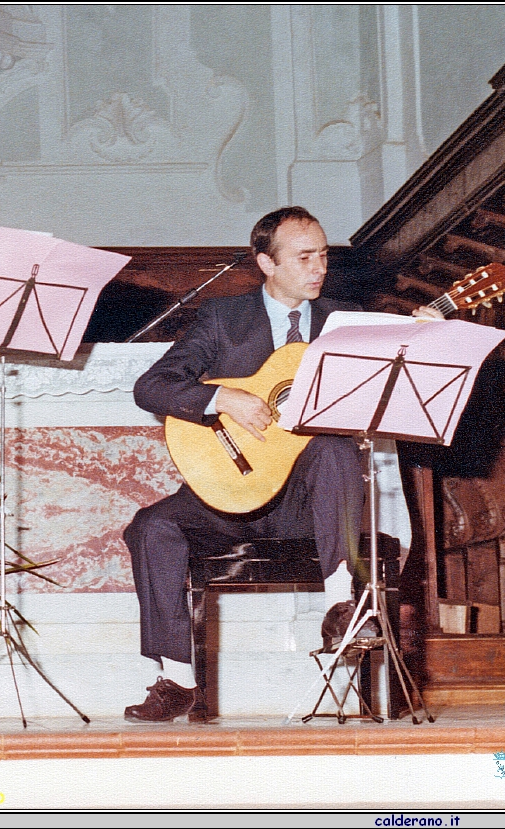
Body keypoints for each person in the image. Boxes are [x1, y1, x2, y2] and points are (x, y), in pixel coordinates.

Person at [121, 206, 442, 722]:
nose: (320, 268)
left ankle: (339, 607)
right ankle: (177, 678)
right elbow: (151, 387)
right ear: (266, 263)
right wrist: (222, 397)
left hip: (313, 502)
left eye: (324, 256)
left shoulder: (347, 323)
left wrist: (426, 341)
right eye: (304, 257)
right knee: (151, 527)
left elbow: (398, 391)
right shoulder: (223, 319)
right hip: (232, 493)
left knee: (333, 447)